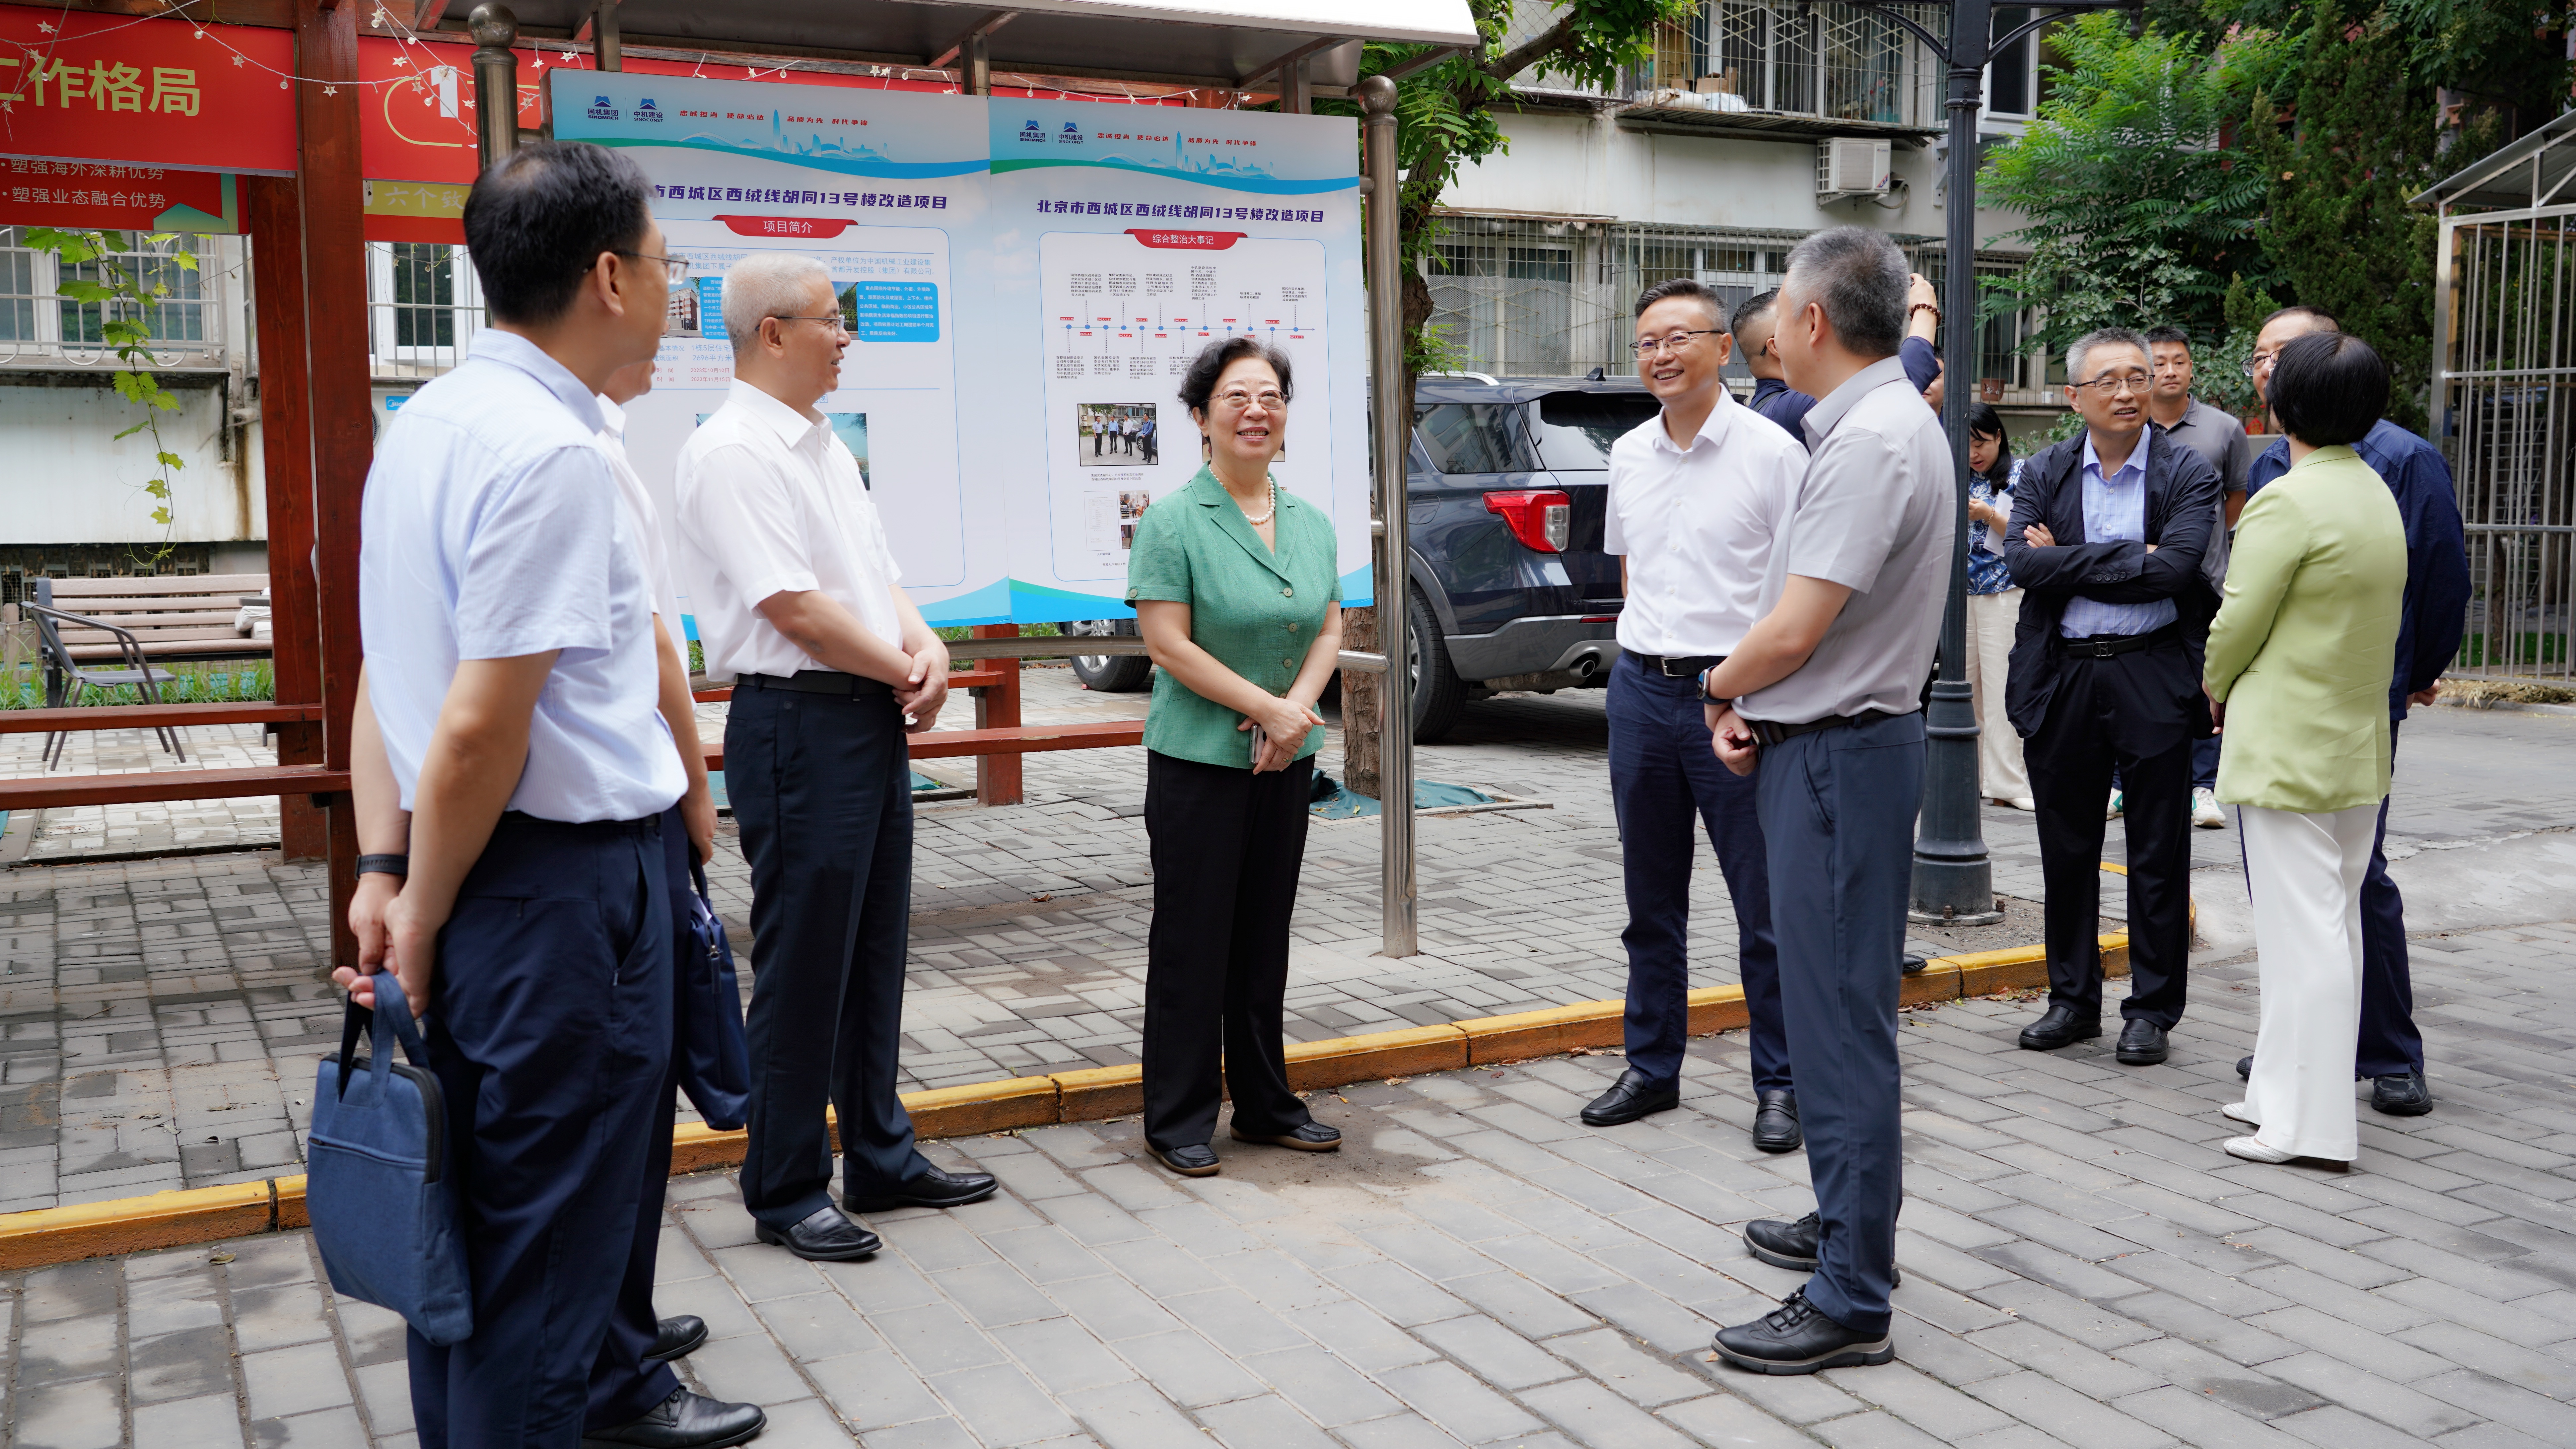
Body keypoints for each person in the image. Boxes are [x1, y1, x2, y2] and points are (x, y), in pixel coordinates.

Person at [339, 140, 762, 1447]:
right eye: (662, 263)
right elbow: (476, 730)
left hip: (478, 882)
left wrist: (388, 869)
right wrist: (421, 904)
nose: (667, 285)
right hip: (554, 902)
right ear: (605, 277)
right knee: (546, 1281)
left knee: (470, 1253)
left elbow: (387, 679)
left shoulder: (429, 429)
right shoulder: (551, 457)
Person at [674, 252, 996, 1264]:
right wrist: (905, 668)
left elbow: (874, 579)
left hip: (857, 713)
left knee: (870, 951)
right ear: (771, 331)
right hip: (800, 720)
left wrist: (925, 646)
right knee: (807, 961)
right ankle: (781, 1182)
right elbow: (793, 609)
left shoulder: (819, 446)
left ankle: (880, 1151)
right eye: (831, 319)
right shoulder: (732, 451)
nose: (845, 336)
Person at [1699, 226, 1953, 1375]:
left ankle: (1850, 1290)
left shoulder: (1871, 438)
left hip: (1840, 759)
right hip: (1830, 744)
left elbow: (1799, 626)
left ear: (1808, 323)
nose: (1766, 333)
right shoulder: (1882, 416)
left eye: (1776, 314)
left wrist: (1717, 681)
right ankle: (1844, 1219)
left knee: (1840, 1025)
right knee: (1829, 1008)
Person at [1582, 279, 1805, 1152]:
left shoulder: (1769, 452)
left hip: (1737, 697)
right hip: (1641, 690)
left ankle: (1780, 1082)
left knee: (1764, 905)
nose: (1662, 355)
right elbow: (1634, 569)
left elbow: (1797, 590)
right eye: (1647, 342)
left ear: (1725, 348)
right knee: (1650, 899)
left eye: (1680, 337)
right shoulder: (1630, 453)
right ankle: (1650, 1066)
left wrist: (1748, 694)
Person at [2235, 305, 2469, 1117]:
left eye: (2283, 356)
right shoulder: (2274, 464)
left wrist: (2419, 670)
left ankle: (2389, 1052)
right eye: (2259, 359)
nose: (2267, 372)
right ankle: (2297, 1043)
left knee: (2353, 883)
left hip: (2360, 697)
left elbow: (2441, 574)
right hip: (2281, 701)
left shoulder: (2402, 459)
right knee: (2289, 889)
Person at [1125, 336, 1347, 1177]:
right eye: (1236, 398)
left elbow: (1329, 626)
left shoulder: (1311, 521)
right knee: (1193, 938)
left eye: (1271, 398)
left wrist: (1292, 717)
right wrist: (1266, 709)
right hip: (1198, 765)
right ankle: (1176, 1116)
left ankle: (1263, 1104)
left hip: (1282, 761)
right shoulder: (1174, 518)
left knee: (1263, 937)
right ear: (1200, 417)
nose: (1257, 412)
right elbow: (1166, 643)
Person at [2206, 330, 2408, 1170]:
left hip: (2288, 743)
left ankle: (2313, 1126)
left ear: (2277, 407)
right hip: (2354, 742)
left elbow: (2235, 624)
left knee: (2308, 938)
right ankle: (2275, 1098)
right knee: (2328, 930)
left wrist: (2214, 684)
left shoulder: (2288, 500)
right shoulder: (2373, 490)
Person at [2004, 328, 2220, 1069]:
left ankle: (2151, 1011)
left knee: (2159, 849)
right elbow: (2020, 564)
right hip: (2064, 674)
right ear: (2075, 396)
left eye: (2138, 377)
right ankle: (2072, 1001)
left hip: (2151, 669)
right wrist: (2130, 559)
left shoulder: (2185, 469)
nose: (2129, 392)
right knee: (2067, 849)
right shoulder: (2045, 468)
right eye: (2110, 381)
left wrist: (2062, 561)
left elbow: (2177, 572)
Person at [2142, 324, 2251, 830]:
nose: (2169, 370)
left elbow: (2234, 502)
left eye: (2178, 361)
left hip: (2206, 579)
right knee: (2141, 678)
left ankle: (2202, 788)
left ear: (2192, 367)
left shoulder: (2223, 429)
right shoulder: (2129, 423)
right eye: (2159, 362)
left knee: (2206, 681)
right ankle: (2127, 784)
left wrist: (2199, 548)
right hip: (2140, 575)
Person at [1734, 279, 1941, 450]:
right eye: (1809, 323)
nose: (1820, 330)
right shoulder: (1789, 408)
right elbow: (1892, 389)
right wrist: (1925, 311)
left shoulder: (1769, 409)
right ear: (1777, 346)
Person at [1962, 403, 2031, 810]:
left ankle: (2008, 782)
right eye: (1968, 444)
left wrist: (1988, 513)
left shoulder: (2017, 475)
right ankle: (1973, 778)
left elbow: (2026, 533)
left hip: (2003, 591)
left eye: (1982, 442)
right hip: (1961, 595)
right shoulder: (1958, 476)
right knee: (1966, 691)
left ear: (1998, 437)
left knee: (2001, 686)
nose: (1975, 452)